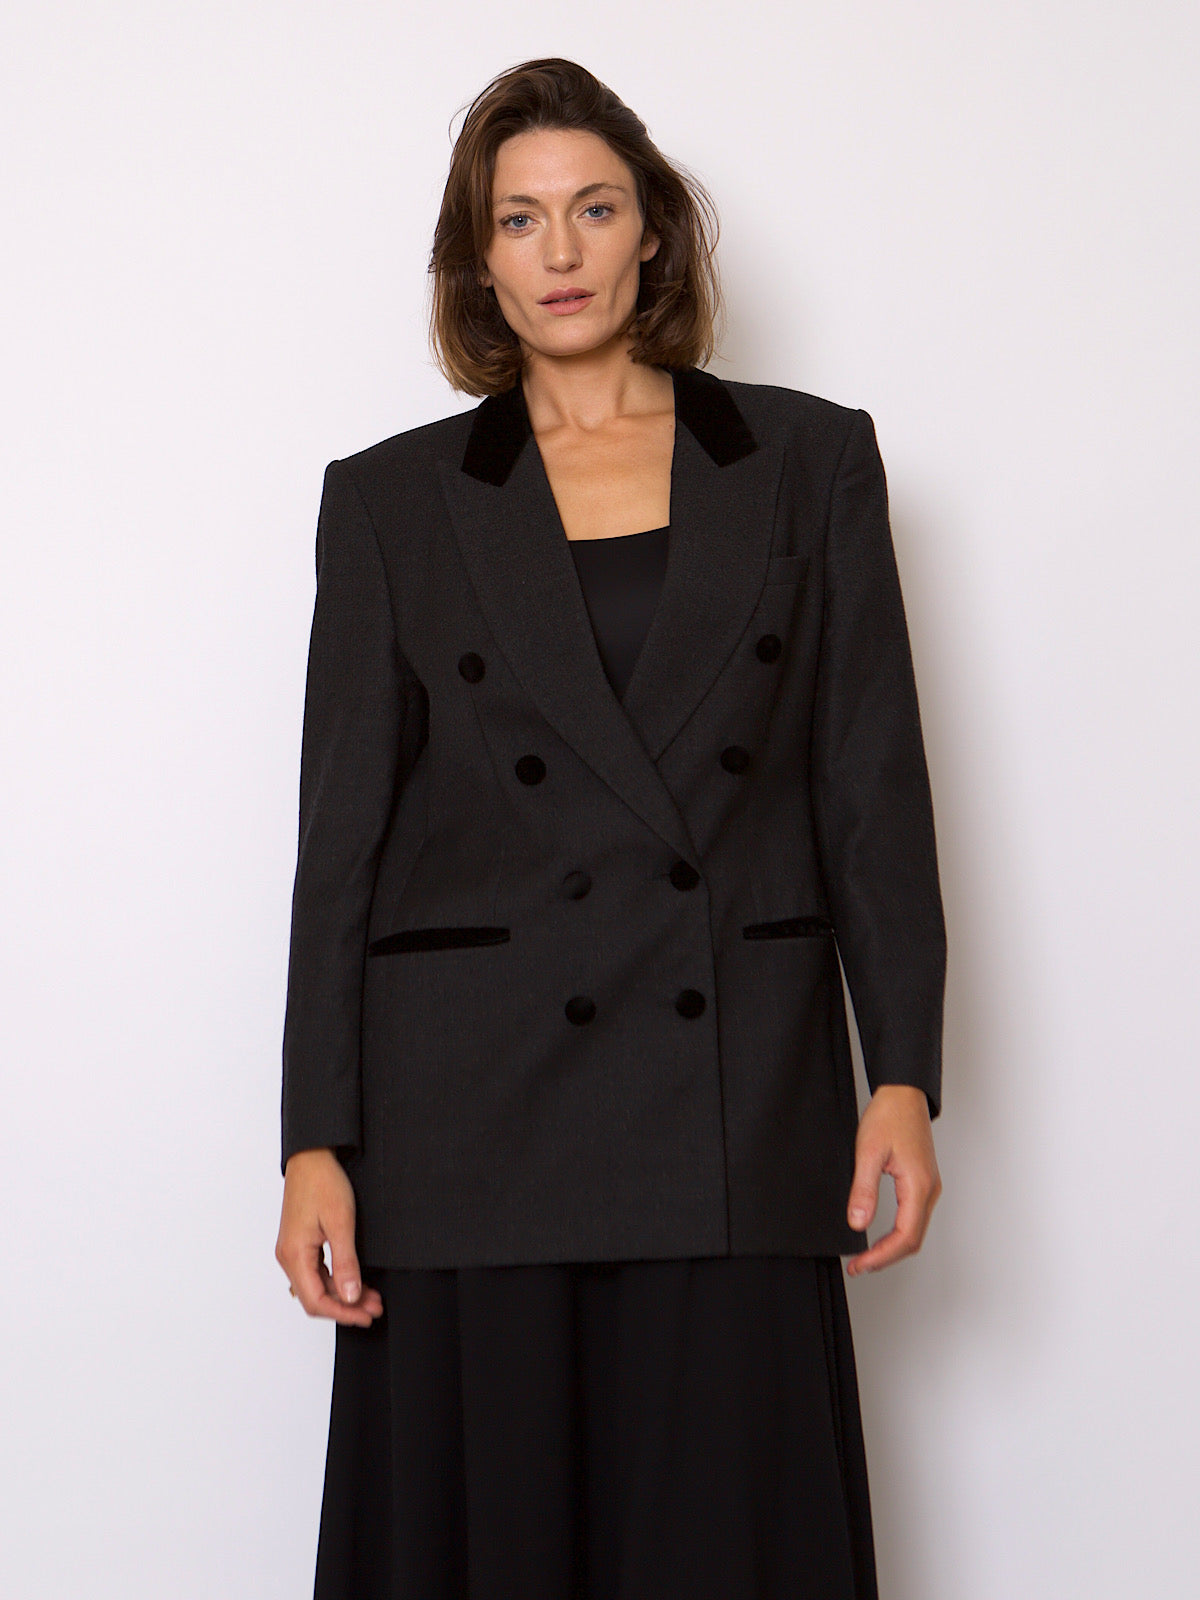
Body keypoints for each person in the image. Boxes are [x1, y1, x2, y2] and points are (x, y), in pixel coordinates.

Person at [275, 56, 945, 1600]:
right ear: (478, 258)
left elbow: (871, 787)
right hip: (469, 1110)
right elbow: (342, 841)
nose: (560, 251)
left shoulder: (808, 460)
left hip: (733, 1091)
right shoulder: (392, 501)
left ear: (654, 233)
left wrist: (903, 1074)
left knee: (724, 1537)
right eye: (519, 220)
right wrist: (315, 1139)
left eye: (594, 209)